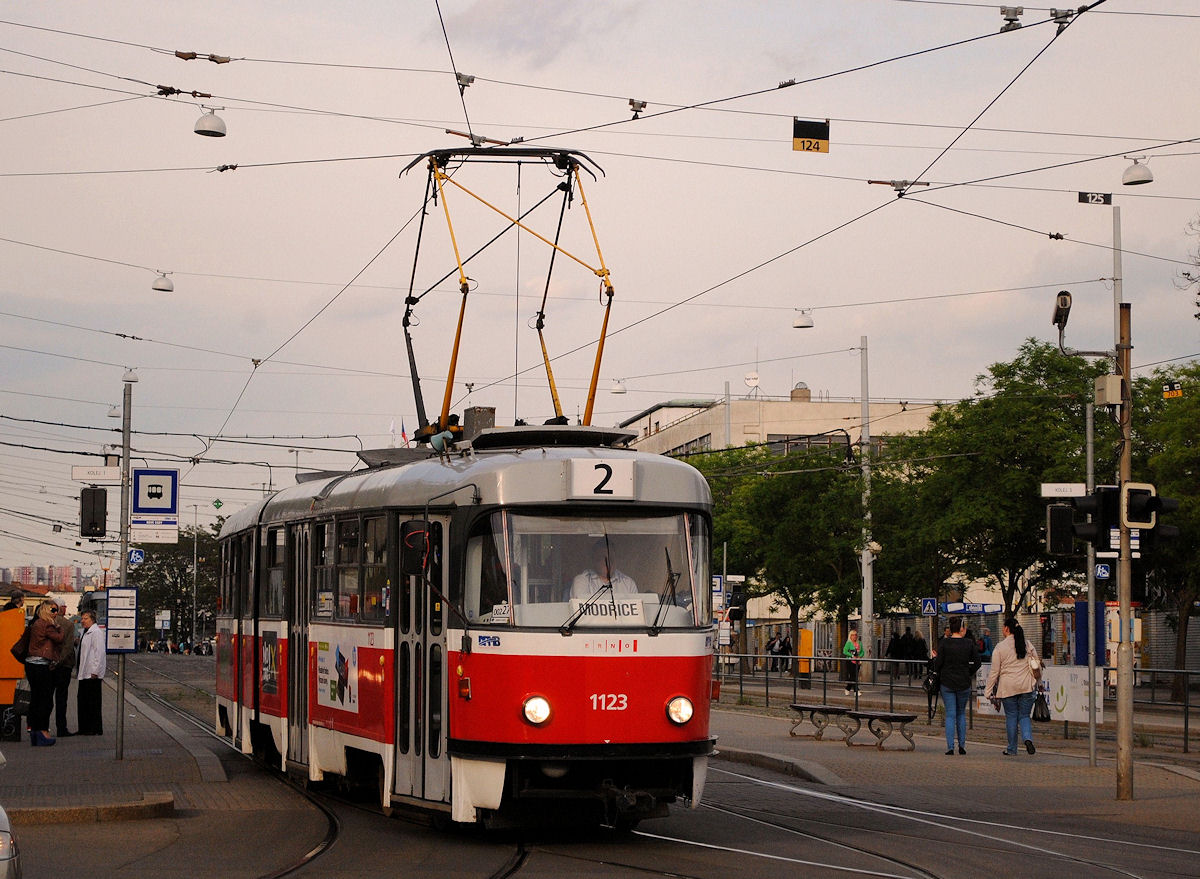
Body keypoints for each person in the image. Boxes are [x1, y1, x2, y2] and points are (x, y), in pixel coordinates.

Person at [986, 617, 1040, 756]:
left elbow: (994, 672)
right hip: (1026, 686)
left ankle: (1011, 749)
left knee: (1011, 716)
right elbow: (1036, 664)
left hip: (1008, 687)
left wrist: (988, 691)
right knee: (1024, 716)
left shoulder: (1000, 647)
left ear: (1006, 629)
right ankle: (1027, 739)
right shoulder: (1027, 644)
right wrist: (1038, 683)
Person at [929, 616, 981, 755]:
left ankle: (950, 747)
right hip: (964, 682)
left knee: (950, 714)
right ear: (962, 629)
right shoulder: (969, 643)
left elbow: (938, 664)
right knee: (961, 714)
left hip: (947, 682)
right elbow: (977, 662)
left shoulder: (944, 644)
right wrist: (968, 672)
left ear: (951, 629)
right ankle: (962, 746)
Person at [25, 599, 64, 746]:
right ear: (47, 611)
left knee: (36, 699)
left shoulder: (36, 623)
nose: (56, 613)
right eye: (53, 610)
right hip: (41, 665)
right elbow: (59, 638)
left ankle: (35, 732)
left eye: (57, 610)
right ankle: (43, 731)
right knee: (45, 700)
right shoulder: (47, 624)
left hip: (31, 664)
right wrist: (59, 627)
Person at [570, 541, 638, 599]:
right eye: (603, 557)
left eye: (611, 557)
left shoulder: (628, 583)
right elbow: (580, 610)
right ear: (595, 560)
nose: (608, 561)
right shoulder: (582, 581)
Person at [76, 609, 107, 735]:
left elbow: (99, 653)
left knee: (92, 702)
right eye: (82, 618)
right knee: (83, 701)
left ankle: (93, 728)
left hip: (91, 673)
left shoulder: (96, 633)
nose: (82, 621)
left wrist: (95, 670)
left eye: (85, 618)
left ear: (92, 620)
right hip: (84, 672)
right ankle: (84, 727)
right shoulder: (86, 632)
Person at [51, 602, 78, 738]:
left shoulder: (43, 621)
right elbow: (68, 647)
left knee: (46, 697)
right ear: (61, 608)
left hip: (47, 665)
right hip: (64, 665)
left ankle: (42, 728)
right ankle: (61, 728)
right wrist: (59, 661)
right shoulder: (68, 624)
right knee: (61, 698)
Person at [842, 628, 864, 696]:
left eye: (855, 635)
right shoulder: (848, 643)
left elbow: (862, 651)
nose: (854, 636)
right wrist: (852, 656)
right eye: (853, 635)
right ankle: (856, 690)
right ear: (850, 636)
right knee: (853, 676)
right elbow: (845, 651)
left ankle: (847, 688)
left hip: (857, 661)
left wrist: (859, 656)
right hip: (850, 661)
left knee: (854, 676)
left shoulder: (859, 643)